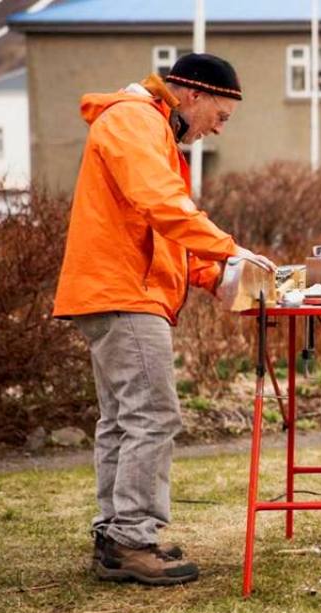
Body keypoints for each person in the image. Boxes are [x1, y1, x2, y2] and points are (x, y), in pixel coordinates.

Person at [53, 53, 275, 585]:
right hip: (124, 292)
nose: (217, 129)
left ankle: (116, 535)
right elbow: (161, 205)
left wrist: (215, 275)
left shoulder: (147, 128)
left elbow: (160, 229)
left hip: (117, 289)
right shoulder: (134, 120)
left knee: (124, 419)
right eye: (220, 116)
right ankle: (133, 538)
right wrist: (229, 251)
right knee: (152, 414)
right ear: (192, 96)